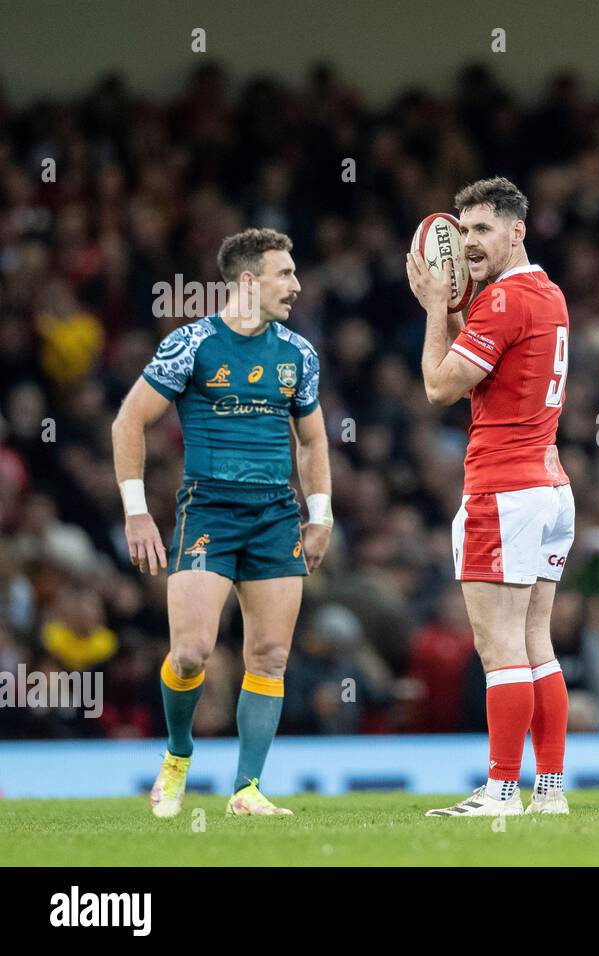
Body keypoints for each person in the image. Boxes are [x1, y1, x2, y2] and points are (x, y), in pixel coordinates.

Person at [113, 227, 333, 817]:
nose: (296, 285)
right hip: (208, 509)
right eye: (284, 274)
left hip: (275, 516)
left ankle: (247, 789)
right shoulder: (190, 344)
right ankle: (178, 756)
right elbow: (128, 423)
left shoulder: (298, 354)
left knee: (269, 657)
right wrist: (136, 514)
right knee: (190, 652)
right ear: (247, 281)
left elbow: (312, 442)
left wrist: (321, 515)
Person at [409, 177, 575, 817]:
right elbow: (492, 363)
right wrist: (455, 312)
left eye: (482, 229)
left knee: (499, 647)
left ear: (516, 231)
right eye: (462, 228)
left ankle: (502, 791)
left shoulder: (504, 301)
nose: (469, 241)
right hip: (550, 487)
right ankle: (549, 791)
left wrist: (433, 311)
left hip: (503, 488)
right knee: (537, 645)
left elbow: (438, 387)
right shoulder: (547, 293)